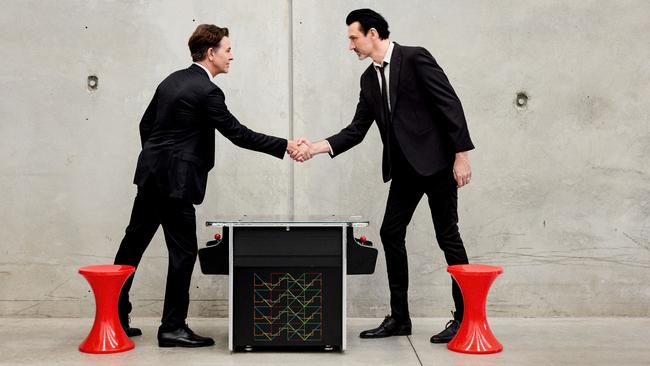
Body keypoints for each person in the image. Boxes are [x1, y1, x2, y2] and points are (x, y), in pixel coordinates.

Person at [114, 24, 301, 348]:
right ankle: (172, 327)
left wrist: (160, 157)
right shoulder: (207, 91)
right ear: (211, 53)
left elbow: (146, 124)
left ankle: (115, 317)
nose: (232, 55)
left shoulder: (172, 80)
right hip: (176, 184)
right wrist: (285, 144)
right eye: (228, 49)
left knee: (133, 245)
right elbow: (238, 134)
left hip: (151, 176)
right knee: (183, 254)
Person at [292, 9, 474, 343]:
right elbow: (356, 130)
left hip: (437, 165)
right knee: (391, 232)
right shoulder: (368, 79)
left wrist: (461, 156)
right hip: (404, 170)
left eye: (353, 38)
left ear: (373, 34)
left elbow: (450, 104)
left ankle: (464, 318)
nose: (350, 46)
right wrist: (314, 148)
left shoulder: (416, 58)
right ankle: (400, 319)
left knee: (448, 236)